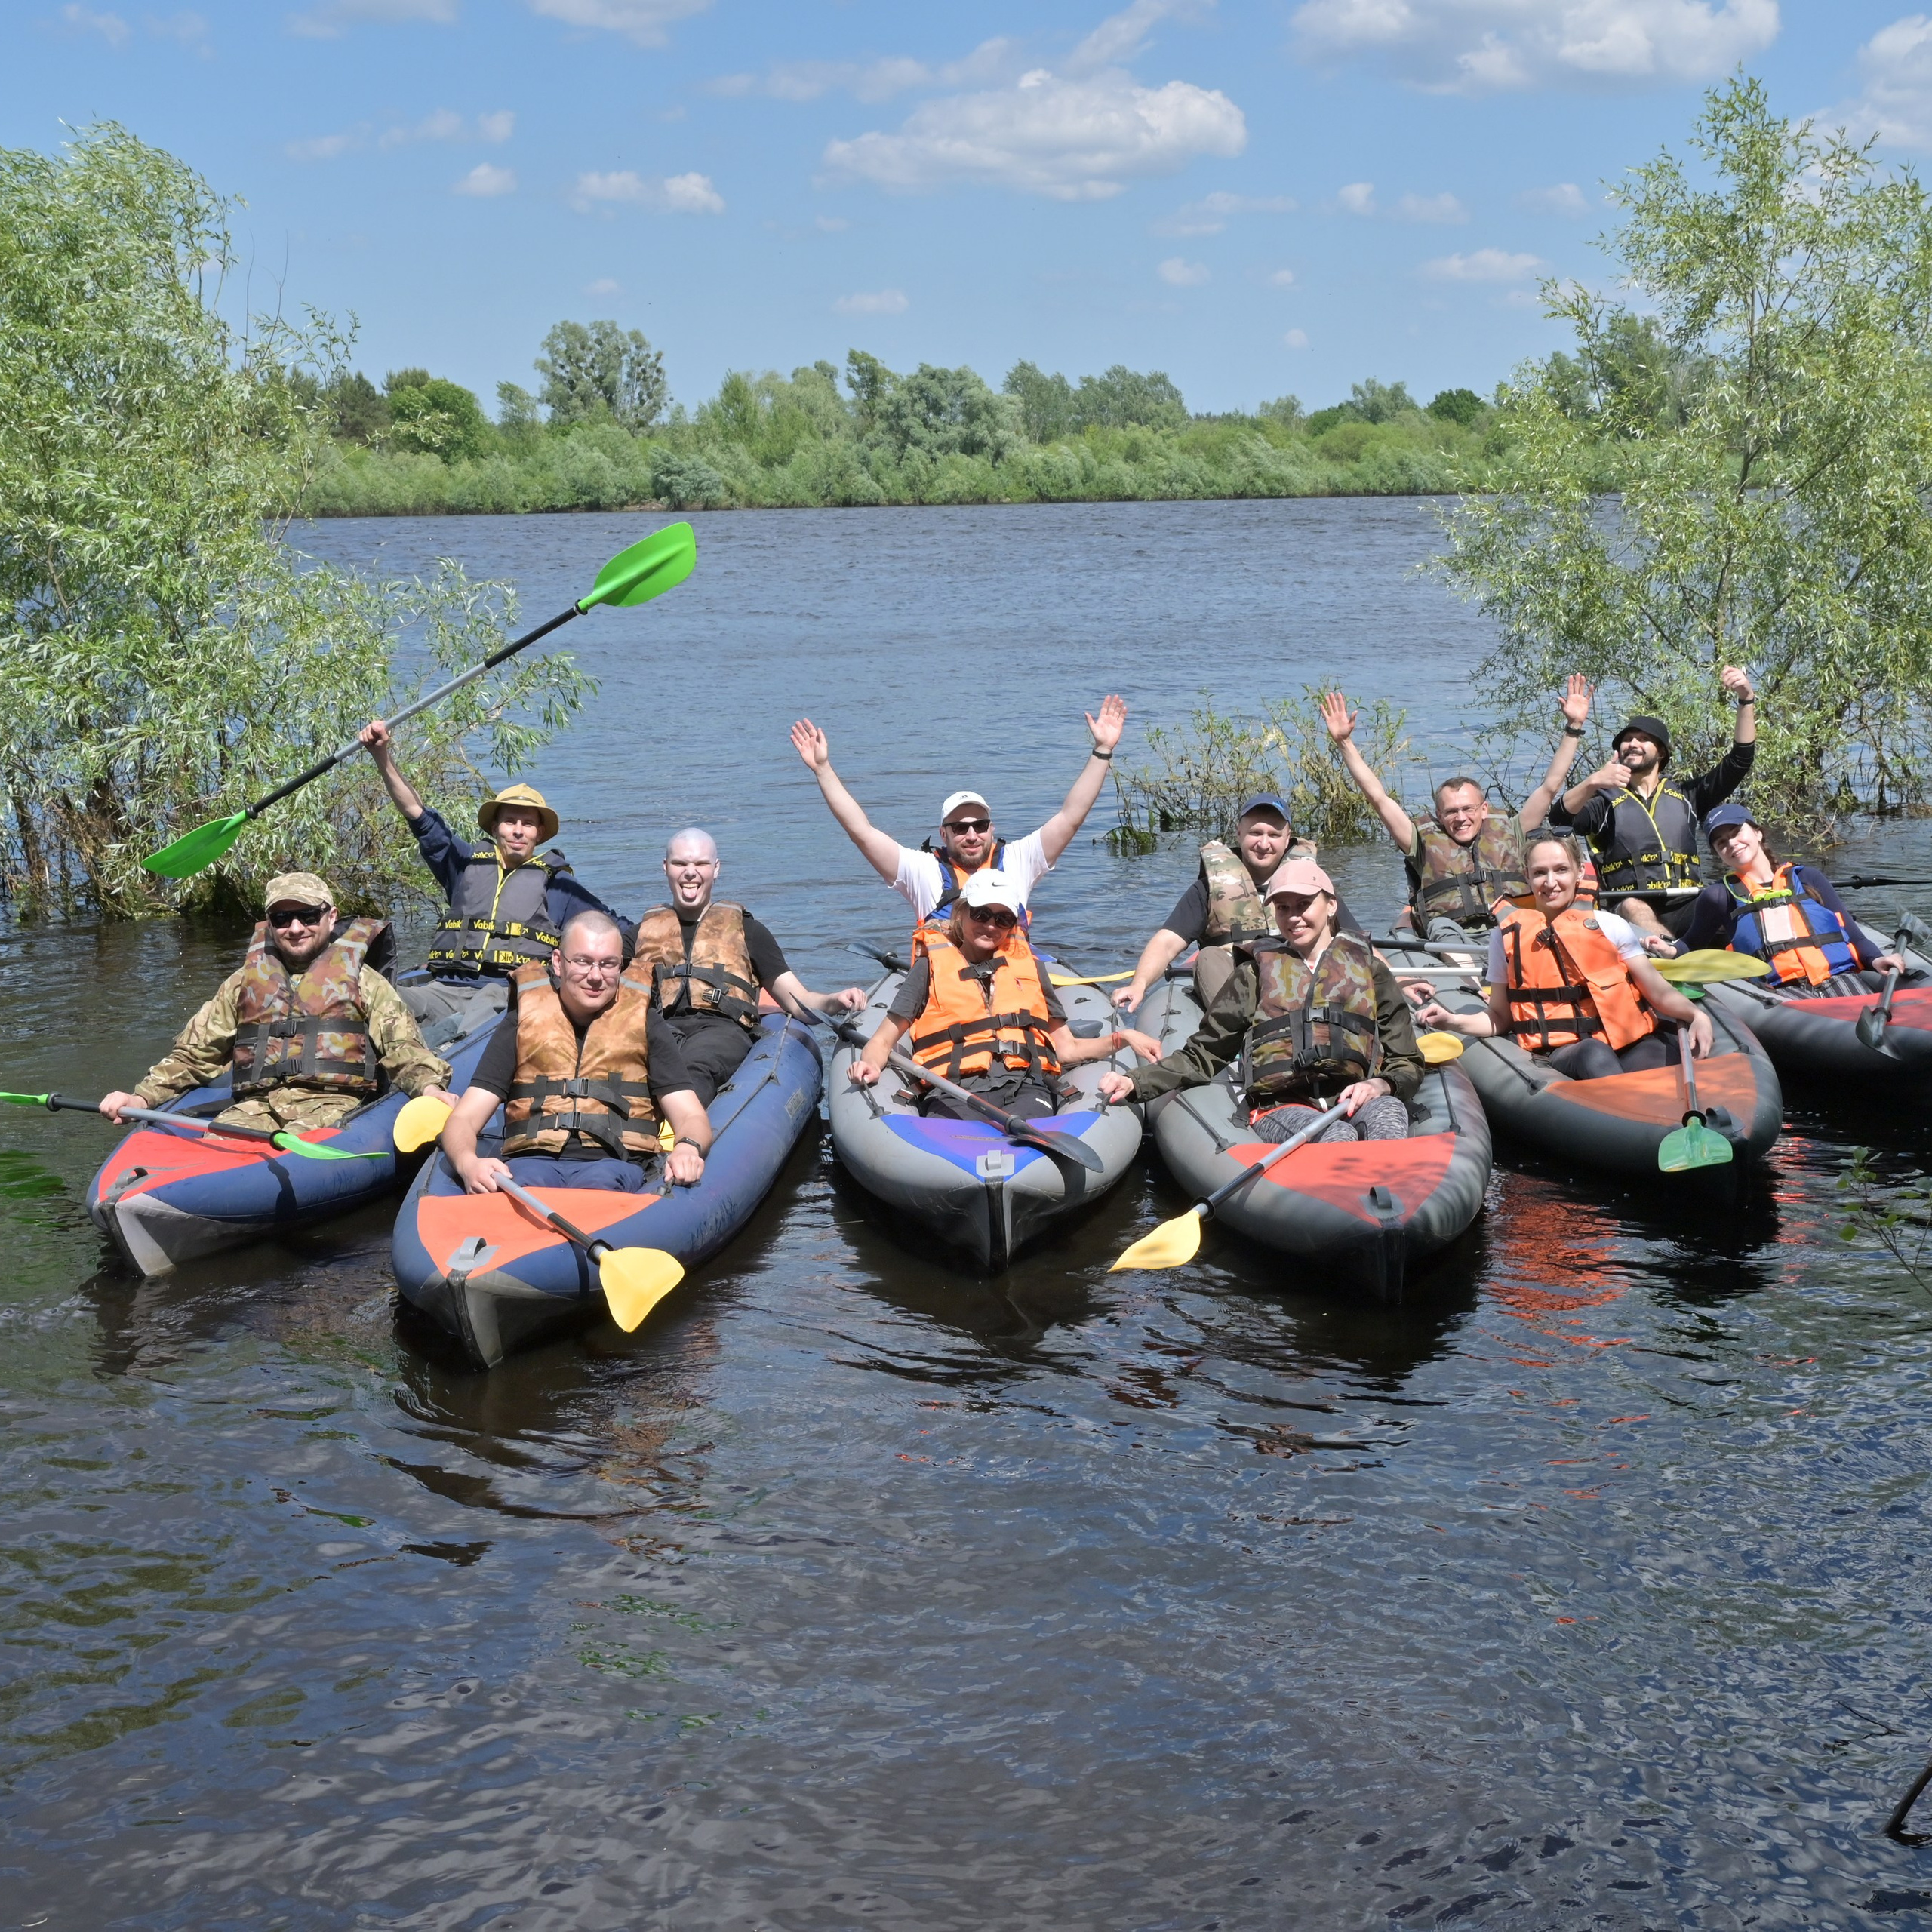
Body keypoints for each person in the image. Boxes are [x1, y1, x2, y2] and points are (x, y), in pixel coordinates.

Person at [1097, 859, 1423, 1143]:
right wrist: (1135, 1082)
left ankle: (1395, 1208)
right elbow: (1204, 1055)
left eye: (1304, 904)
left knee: (1389, 1113)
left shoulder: (1370, 970)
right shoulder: (1253, 974)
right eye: (1283, 908)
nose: (1293, 917)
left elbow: (1406, 1060)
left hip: (1354, 1095)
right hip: (1281, 1106)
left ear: (1331, 906)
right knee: (1338, 1136)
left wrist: (1383, 1083)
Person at [100, 873, 454, 1132]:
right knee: (222, 1139)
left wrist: (429, 1087)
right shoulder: (243, 982)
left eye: (308, 916)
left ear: (331, 917)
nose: (295, 928)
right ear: (270, 924)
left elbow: (403, 1047)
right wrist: (141, 1099)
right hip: (255, 1107)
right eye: (282, 919)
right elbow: (195, 1054)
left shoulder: (364, 980)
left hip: (333, 1106)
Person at [358, 717, 630, 1037]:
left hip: (504, 993)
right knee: (375, 996)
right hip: (442, 989)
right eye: (510, 821)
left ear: (539, 834)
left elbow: (615, 930)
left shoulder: (559, 887)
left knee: (475, 1015)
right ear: (494, 828)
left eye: (527, 824)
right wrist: (381, 756)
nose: (517, 830)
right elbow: (419, 816)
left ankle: (443, 1054)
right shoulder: (463, 866)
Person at [789, 696, 1128, 931]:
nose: (971, 835)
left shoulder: (1020, 860)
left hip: (1012, 989)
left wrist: (1102, 749)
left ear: (991, 829)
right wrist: (823, 769)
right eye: (960, 827)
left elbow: (1071, 816)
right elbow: (861, 831)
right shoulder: (920, 871)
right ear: (944, 833)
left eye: (979, 825)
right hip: (948, 995)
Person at [438, 909, 714, 1196]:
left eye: (608, 964)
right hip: (531, 1163)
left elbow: (690, 1115)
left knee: (600, 1183)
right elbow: (464, 1118)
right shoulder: (521, 1022)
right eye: (583, 961)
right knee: (526, 1184)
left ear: (620, 966)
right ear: (559, 962)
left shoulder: (646, 1022)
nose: (595, 976)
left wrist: (687, 1148)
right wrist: (468, 1163)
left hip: (615, 1165)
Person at [847, 871, 1162, 1121]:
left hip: (1025, 1086)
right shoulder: (929, 969)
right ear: (962, 913)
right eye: (981, 914)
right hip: (953, 1090)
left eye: (1003, 919)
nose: (990, 926)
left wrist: (1124, 1037)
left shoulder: (1032, 970)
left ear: (1013, 924)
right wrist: (871, 1065)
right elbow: (883, 1041)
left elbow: (1067, 1050)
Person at [1318, 676, 1597, 943]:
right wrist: (1344, 743)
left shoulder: (1513, 830)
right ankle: (1474, 987)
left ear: (1484, 809)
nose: (1461, 818)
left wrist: (1573, 726)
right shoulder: (1419, 841)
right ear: (1439, 816)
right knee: (1441, 926)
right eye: (1451, 812)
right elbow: (1378, 798)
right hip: (1454, 940)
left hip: (1510, 932)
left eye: (1468, 808)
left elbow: (1550, 787)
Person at [1414, 832, 1711, 1081]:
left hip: (1628, 1040)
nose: (1551, 881)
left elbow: (1656, 991)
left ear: (1579, 872)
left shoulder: (1610, 925)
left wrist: (1695, 1015)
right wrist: (1453, 1021)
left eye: (1561, 870)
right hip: (1568, 1050)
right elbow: (1499, 1018)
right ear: (1527, 877)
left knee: (1660, 1053)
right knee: (1593, 1053)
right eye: (1540, 873)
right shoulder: (1505, 937)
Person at [633, 827, 868, 1105]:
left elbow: (797, 1000)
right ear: (666, 867)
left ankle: (679, 1137)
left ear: (716, 869)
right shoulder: (637, 935)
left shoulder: (749, 931)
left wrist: (835, 1001)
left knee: (694, 1066)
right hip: (661, 1027)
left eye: (701, 864)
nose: (690, 873)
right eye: (680, 864)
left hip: (719, 1030)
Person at [1549, 668, 1758, 940]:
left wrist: (1746, 699)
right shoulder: (1603, 803)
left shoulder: (1688, 796)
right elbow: (1559, 817)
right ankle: (1671, 957)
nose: (1633, 743)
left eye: (1643, 739)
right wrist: (1592, 782)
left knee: (1725, 902)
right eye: (1627, 739)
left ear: (1661, 752)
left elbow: (1740, 761)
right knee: (1636, 908)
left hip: (1687, 901)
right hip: (1629, 906)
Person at [1110, 792, 1367, 1012]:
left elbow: (1358, 945)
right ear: (1239, 832)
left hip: (1302, 985)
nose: (1263, 843)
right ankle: (1245, 1036)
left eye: (1274, 835)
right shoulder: (1208, 888)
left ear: (1287, 839)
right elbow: (1167, 943)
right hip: (1238, 992)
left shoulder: (1312, 885)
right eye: (1255, 832)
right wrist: (1139, 984)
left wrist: (1397, 983)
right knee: (1208, 956)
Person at [1680, 804, 1908, 992]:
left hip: (1838, 978)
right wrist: (1668, 950)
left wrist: (1877, 959)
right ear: (1719, 855)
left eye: (1736, 832)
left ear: (1757, 833)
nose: (1731, 843)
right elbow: (1691, 945)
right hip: (1780, 992)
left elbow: (1853, 935)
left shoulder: (1808, 878)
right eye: (1721, 843)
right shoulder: (1719, 896)